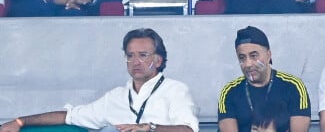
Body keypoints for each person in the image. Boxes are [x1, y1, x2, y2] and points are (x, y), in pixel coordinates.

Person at [0, 28, 199, 132]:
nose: (135, 61)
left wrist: (150, 128)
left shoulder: (176, 90)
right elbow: (69, 116)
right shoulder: (116, 97)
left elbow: (187, 130)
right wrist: (20, 121)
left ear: (158, 60)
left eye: (143, 55)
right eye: (130, 55)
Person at [218, 26, 311, 132]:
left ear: (268, 55)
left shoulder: (293, 87)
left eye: (254, 56)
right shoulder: (230, 91)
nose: (248, 64)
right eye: (242, 58)